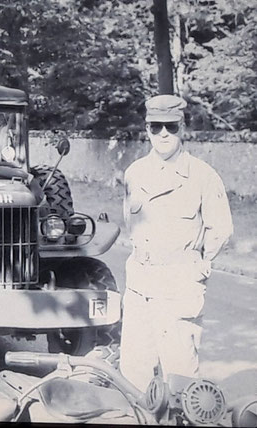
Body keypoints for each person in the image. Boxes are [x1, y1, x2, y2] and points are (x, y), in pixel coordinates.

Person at [119, 94, 234, 393]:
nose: (163, 134)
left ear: (183, 127)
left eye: (170, 126)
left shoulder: (202, 176)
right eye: (155, 127)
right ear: (146, 129)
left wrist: (194, 264)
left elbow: (220, 230)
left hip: (177, 287)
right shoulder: (134, 173)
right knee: (133, 377)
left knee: (180, 380)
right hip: (139, 287)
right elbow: (131, 225)